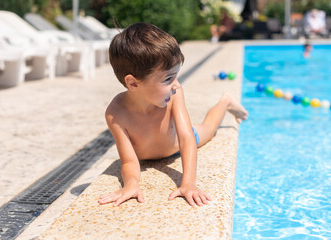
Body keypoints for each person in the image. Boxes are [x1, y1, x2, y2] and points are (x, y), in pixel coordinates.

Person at [98, 23, 248, 207]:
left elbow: (187, 139)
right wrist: (131, 184)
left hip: (179, 143)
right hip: (148, 156)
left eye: (176, 76)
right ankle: (225, 101)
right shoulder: (116, 113)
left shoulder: (174, 95)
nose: (176, 84)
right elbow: (129, 160)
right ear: (133, 83)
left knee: (208, 129)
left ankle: (225, 102)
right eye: (168, 78)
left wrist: (188, 184)